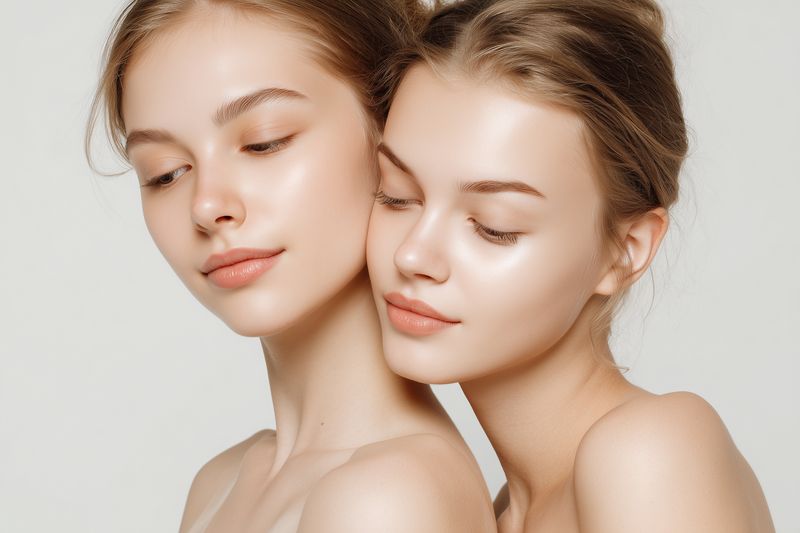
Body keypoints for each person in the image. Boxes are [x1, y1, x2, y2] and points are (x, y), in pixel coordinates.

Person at [86, 1, 496, 531]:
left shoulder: (390, 496)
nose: (206, 206)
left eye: (264, 142)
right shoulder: (220, 482)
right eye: (165, 173)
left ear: (388, 130)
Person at [366, 0, 776, 531]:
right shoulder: (497, 512)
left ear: (626, 249)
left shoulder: (649, 453)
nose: (412, 255)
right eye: (396, 196)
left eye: (495, 225)